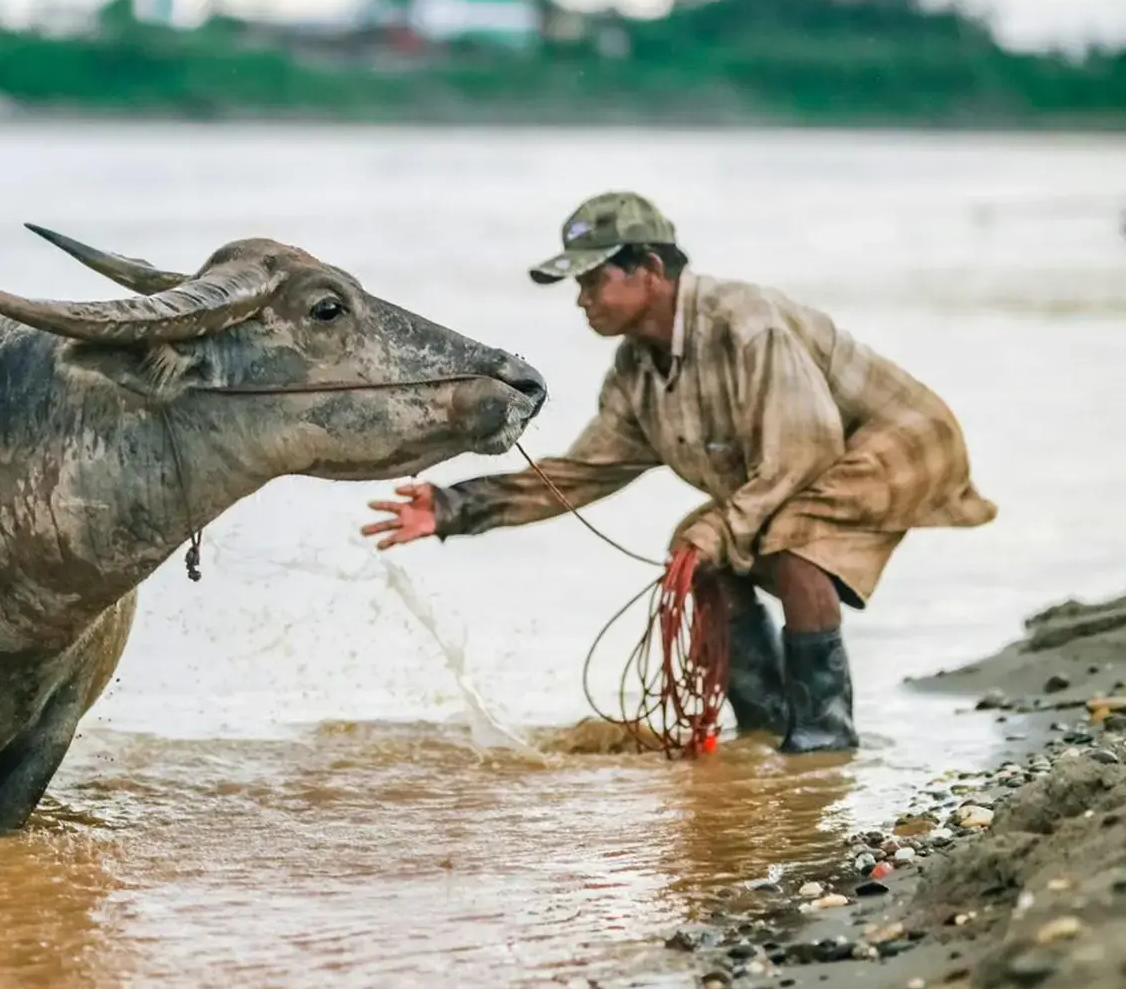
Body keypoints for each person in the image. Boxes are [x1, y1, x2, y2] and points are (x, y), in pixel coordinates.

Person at [360, 191, 997, 754]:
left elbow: (802, 455)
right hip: (800, 465)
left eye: (592, 280)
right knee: (698, 552)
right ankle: (764, 728)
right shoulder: (637, 371)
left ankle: (824, 741)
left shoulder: (746, 325)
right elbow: (582, 473)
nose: (581, 301)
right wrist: (453, 508)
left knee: (791, 543)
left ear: (651, 271)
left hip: (902, 440)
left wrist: (718, 530)